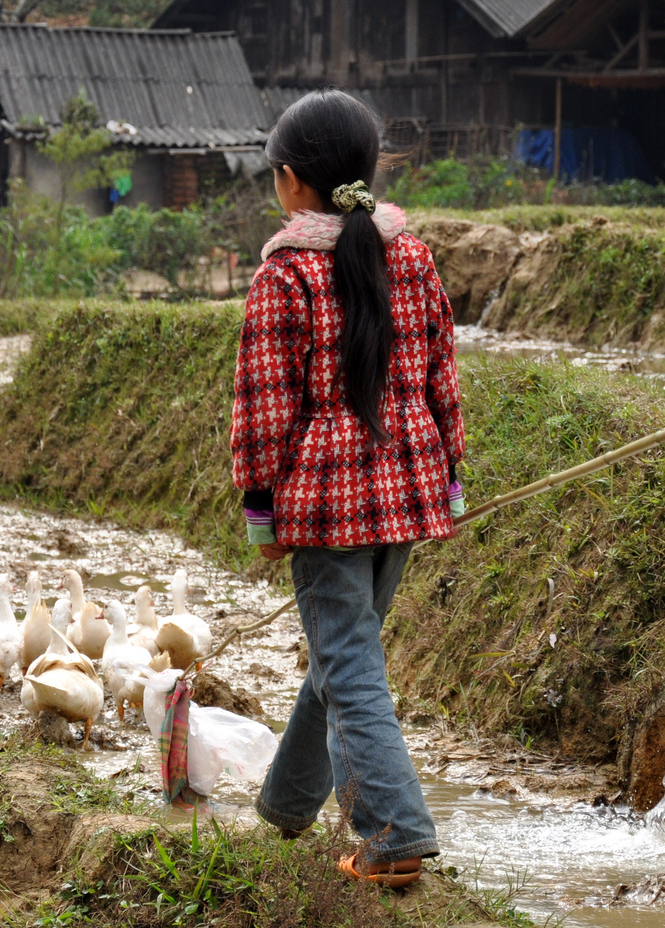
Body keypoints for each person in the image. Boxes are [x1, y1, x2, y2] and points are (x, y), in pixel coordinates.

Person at [230, 89, 465, 889]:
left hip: (329, 505)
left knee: (350, 661)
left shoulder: (287, 274)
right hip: (409, 488)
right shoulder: (412, 255)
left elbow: (264, 408)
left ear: (291, 181)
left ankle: (394, 833)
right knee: (347, 651)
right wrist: (452, 477)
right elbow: (441, 379)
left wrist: (262, 511)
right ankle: (289, 804)